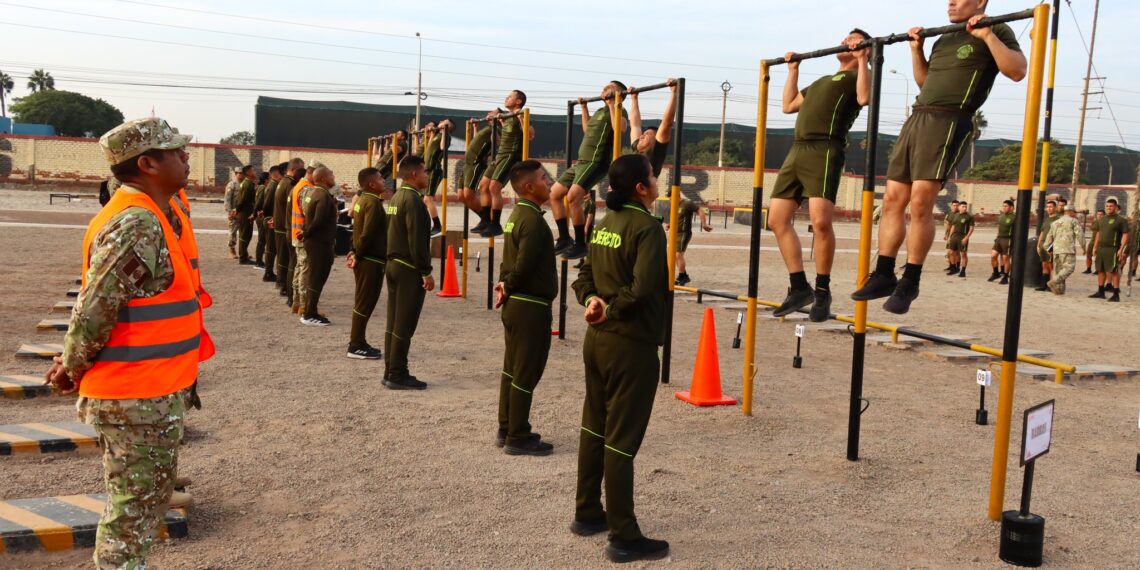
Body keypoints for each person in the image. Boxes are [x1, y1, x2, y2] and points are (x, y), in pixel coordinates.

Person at [43, 117, 208, 569]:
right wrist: (70, 365)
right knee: (131, 513)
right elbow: (96, 307)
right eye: (175, 151)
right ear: (147, 163)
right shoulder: (136, 223)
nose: (185, 157)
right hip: (135, 394)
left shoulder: (154, 213)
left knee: (139, 505)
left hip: (148, 391)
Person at [851, 0, 1025, 314]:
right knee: (892, 199)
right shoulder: (946, 36)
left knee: (920, 200)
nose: (951, 2)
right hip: (919, 115)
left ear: (981, 2)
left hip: (950, 118)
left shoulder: (997, 28)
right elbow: (924, 81)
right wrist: (917, 50)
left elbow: (1017, 70)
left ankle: (911, 281)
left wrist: (987, 37)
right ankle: (885, 273)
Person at [570, 153, 669, 563]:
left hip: (598, 340)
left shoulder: (604, 223)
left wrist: (593, 302)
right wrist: (609, 308)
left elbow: (583, 278)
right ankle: (623, 534)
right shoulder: (647, 227)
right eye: (652, 176)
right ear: (641, 187)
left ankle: (588, 511)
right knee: (622, 440)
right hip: (630, 344)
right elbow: (644, 287)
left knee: (594, 428)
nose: (656, 180)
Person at [769, 31, 870, 319]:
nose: (845, 42)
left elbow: (864, 98)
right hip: (798, 149)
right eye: (845, 38)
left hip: (825, 148)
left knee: (820, 222)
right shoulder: (822, 81)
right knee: (776, 220)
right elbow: (788, 106)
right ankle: (799, 286)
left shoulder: (858, 77)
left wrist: (863, 58)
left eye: (853, 39)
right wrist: (793, 71)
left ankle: (822, 290)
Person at [492, 160, 557, 456]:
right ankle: (518, 434)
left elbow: (511, 264)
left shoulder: (517, 215)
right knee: (525, 371)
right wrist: (511, 284)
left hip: (518, 302)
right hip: (530, 305)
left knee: (513, 369)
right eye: (545, 178)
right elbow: (524, 264)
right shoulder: (532, 221)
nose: (550, 182)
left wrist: (505, 284)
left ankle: (507, 426)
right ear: (529, 187)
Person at [551, 81, 630, 260]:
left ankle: (580, 244)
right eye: (604, 87)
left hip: (596, 160)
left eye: (610, 87)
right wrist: (584, 108)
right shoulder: (599, 112)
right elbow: (587, 130)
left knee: (572, 198)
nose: (604, 88)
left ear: (619, 93)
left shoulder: (619, 109)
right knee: (554, 194)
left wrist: (612, 103)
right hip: (581, 161)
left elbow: (620, 129)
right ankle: (564, 238)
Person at [383, 156, 435, 390]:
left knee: (394, 322)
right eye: (424, 171)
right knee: (403, 323)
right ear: (413, 174)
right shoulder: (413, 200)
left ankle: (391, 369)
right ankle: (397, 373)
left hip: (394, 263)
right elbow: (417, 241)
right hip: (408, 268)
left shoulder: (397, 196)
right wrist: (426, 272)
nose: (427, 175)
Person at [347, 167, 388, 359]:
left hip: (365, 257)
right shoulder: (372, 202)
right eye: (381, 178)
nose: (384, 181)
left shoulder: (362, 200)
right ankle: (355, 345)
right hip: (370, 260)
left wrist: (354, 250)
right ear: (372, 184)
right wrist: (358, 253)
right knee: (364, 302)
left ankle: (360, 341)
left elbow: (358, 229)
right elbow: (367, 232)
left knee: (364, 302)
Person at [478, 91, 530, 238]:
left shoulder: (521, 114)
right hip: (500, 154)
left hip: (511, 155)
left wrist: (520, 117)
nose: (506, 98)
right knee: (483, 185)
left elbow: (530, 135)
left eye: (510, 97)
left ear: (518, 101)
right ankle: (486, 220)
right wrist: (496, 122)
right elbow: (500, 140)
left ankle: (495, 224)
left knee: (494, 186)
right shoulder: (506, 117)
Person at [298, 166, 338, 325]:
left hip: (316, 241)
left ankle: (310, 310)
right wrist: (306, 233)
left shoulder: (316, 192)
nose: (333, 176)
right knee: (317, 277)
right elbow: (319, 220)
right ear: (322, 178)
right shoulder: (323, 195)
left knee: (316, 276)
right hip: (319, 243)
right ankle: (309, 314)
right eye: (331, 174)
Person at [1089, 197, 1130, 302]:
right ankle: (1100, 291)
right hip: (1101, 248)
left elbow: (1126, 234)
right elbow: (1098, 233)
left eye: (1111, 206)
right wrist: (1095, 247)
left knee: (1113, 271)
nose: (1108, 208)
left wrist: (1121, 249)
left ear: (1116, 207)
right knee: (1100, 270)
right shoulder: (1102, 219)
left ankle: (1116, 294)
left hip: (1113, 249)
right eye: (1107, 206)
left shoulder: (1121, 220)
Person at [290, 165, 318, 313]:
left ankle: (296, 302)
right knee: (305, 270)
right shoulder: (306, 189)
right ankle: (304, 305)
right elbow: (310, 214)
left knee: (299, 268)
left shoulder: (298, 186)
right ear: (312, 173)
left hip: (297, 233)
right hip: (303, 236)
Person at [275, 159, 304, 299]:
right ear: (294, 169)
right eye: (301, 170)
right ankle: (287, 288)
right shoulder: (290, 185)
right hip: (287, 227)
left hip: (283, 225)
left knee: (285, 259)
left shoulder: (283, 182)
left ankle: (283, 284)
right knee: (290, 261)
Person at [460, 115, 495, 230]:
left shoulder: (496, 129)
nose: (488, 115)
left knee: (468, 194)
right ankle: (484, 219)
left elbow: (497, 141)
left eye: (492, 113)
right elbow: (476, 141)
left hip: (476, 164)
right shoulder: (486, 129)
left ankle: (487, 220)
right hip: (467, 163)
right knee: (461, 196)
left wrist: (496, 125)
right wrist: (475, 127)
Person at [669, 194, 711, 286]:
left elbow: (700, 210)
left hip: (684, 233)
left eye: (672, 199)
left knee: (678, 255)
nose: (671, 201)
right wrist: (670, 224)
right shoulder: (674, 205)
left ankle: (682, 276)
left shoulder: (687, 203)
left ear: (678, 196)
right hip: (675, 233)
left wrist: (704, 224)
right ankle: (683, 275)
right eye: (670, 199)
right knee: (675, 256)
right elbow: (677, 218)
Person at [1041, 204, 1084, 295]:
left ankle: (1059, 290)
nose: (1075, 214)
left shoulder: (1055, 223)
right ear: (1071, 212)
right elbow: (1080, 235)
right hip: (1068, 249)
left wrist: (1048, 249)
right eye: (1074, 212)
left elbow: (1048, 239)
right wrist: (1084, 247)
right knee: (1069, 268)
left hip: (1056, 250)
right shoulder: (1073, 221)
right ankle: (1054, 281)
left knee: (1058, 270)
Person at [423, 119, 454, 237]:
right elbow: (428, 149)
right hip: (427, 170)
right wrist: (431, 133)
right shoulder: (436, 135)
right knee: (422, 199)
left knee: (427, 198)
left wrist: (444, 131)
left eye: (445, 122)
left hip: (435, 171)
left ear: (449, 126)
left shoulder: (447, 136)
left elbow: (442, 148)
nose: (441, 122)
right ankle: (426, 223)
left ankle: (437, 225)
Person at [259, 165, 283, 282]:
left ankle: (268, 272)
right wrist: (270, 217)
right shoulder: (273, 186)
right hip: (270, 220)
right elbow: (267, 204)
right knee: (271, 248)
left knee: (271, 247)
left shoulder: (274, 185)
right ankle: (268, 272)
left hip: (270, 218)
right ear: (276, 174)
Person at [234, 164, 257, 264]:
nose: (254, 172)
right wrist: (237, 210)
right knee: (245, 235)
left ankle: (244, 254)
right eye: (253, 171)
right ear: (248, 173)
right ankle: (243, 257)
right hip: (244, 213)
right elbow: (242, 200)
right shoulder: (247, 184)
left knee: (246, 234)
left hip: (244, 212)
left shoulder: (247, 183)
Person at [1034, 200, 1059, 291]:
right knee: (1044, 264)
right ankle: (1043, 285)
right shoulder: (1047, 219)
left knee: (1051, 266)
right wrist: (1038, 245)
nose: (1049, 208)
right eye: (1048, 207)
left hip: (1051, 246)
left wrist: (1052, 247)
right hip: (1043, 245)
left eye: (1051, 207)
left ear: (1055, 208)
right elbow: (1042, 232)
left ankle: (1052, 285)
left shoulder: (1058, 220)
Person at [988, 199, 1014, 284]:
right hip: (999, 238)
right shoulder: (1001, 216)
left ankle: (1006, 276)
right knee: (993, 256)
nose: (1004, 207)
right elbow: (999, 227)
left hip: (1008, 239)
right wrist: (997, 236)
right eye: (1003, 206)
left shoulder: (1014, 217)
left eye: (1006, 206)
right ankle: (995, 273)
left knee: (1005, 258)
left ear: (1011, 208)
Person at [948, 200, 974, 278]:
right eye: (963, 206)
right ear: (959, 207)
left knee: (963, 254)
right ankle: (953, 268)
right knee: (951, 252)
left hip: (962, 237)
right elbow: (953, 226)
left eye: (966, 207)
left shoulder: (969, 217)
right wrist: (950, 236)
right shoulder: (956, 215)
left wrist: (966, 238)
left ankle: (963, 271)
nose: (965, 208)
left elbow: (971, 228)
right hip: (954, 236)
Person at [252, 170, 271, 269]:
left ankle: (259, 260)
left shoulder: (259, 187)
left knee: (262, 239)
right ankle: (258, 261)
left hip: (259, 215)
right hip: (261, 216)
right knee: (262, 240)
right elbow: (259, 202)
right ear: (266, 180)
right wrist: (255, 214)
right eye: (269, 178)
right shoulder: (263, 187)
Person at [223, 166, 242, 258]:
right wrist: (229, 212)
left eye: (243, 173)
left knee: (243, 232)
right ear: (235, 174)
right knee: (232, 232)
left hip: (242, 212)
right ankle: (232, 250)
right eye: (239, 173)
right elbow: (227, 200)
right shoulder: (232, 184)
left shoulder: (245, 184)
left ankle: (243, 251)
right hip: (234, 213)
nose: (241, 175)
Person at [1082, 209, 1104, 274]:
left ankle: (1098, 269)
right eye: (1098, 214)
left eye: (1101, 214)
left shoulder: (1104, 222)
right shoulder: (1095, 222)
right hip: (1092, 241)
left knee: (1098, 257)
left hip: (1100, 242)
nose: (1099, 216)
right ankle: (1088, 269)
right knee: (1088, 255)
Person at [943, 200, 960, 272]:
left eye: (957, 205)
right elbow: (946, 224)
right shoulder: (949, 214)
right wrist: (945, 234)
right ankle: (951, 265)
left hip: (957, 235)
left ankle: (957, 267)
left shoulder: (959, 214)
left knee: (956, 252)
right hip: (949, 235)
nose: (955, 207)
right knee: (949, 251)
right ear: (951, 206)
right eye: (954, 205)